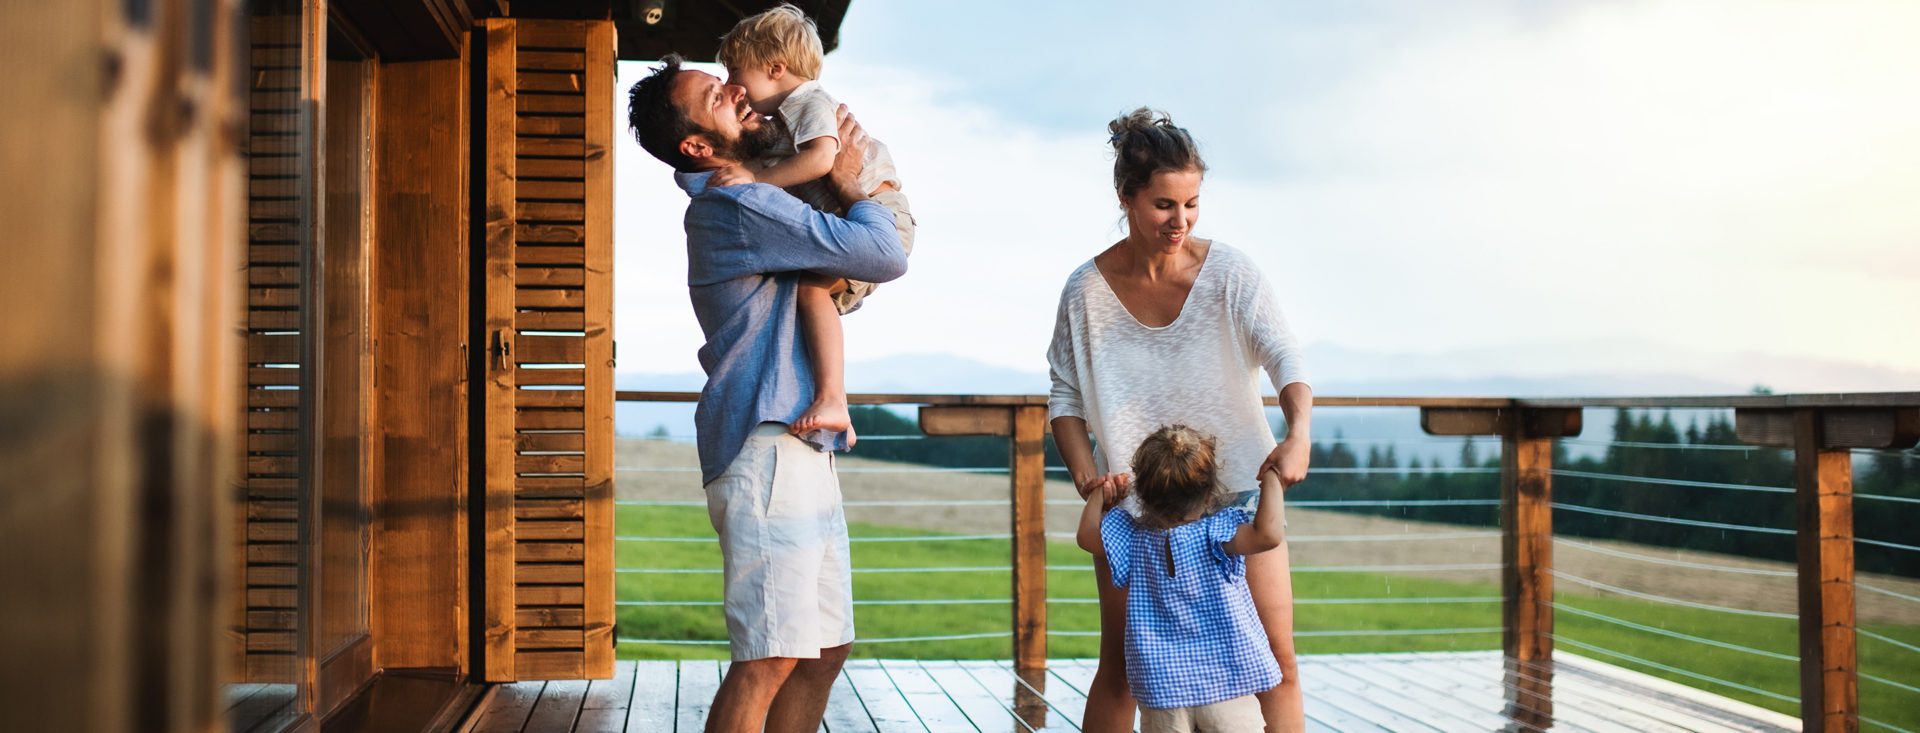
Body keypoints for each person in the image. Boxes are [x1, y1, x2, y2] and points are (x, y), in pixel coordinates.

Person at [625, 55, 907, 733]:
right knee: (769, 657)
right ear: (697, 143)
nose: (737, 90)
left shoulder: (752, 195)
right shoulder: (737, 204)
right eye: (715, 94)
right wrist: (853, 185)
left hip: (798, 443)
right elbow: (883, 254)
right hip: (767, 448)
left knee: (823, 649)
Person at [1047, 108, 1313, 732]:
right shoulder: (1084, 291)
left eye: (1192, 203)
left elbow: (1285, 356)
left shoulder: (1230, 274)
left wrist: (1298, 431)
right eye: (1164, 204)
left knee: (1275, 661)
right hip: (1134, 513)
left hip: (1239, 498)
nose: (1181, 220)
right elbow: (1065, 399)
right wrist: (1091, 481)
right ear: (1127, 198)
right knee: (1121, 668)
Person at [712, 3, 916, 443]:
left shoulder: (809, 102)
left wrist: (755, 179)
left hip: (880, 213)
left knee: (809, 291)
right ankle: (834, 404)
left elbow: (823, 159)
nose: (733, 87)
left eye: (735, 72)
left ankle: (833, 400)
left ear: (776, 67)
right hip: (855, 216)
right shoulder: (781, 119)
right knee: (807, 296)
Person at [1077, 425, 1287, 733]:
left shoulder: (1132, 540)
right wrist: (1272, 477)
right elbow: (1269, 534)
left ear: (1142, 495)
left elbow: (1086, 537)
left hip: (1163, 693)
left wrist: (1099, 495)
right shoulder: (1217, 533)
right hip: (1226, 686)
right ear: (1208, 494)